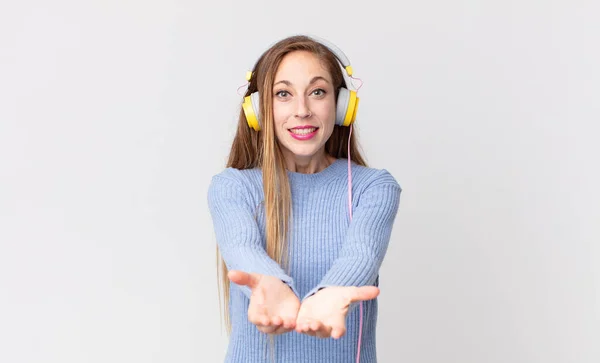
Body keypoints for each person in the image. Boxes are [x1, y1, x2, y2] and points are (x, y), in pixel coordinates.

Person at [207, 34, 402, 363]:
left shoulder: (373, 187)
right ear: (258, 109)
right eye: (283, 94)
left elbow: (362, 255)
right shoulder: (233, 187)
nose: (302, 110)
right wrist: (270, 286)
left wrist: (329, 295)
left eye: (317, 92)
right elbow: (242, 249)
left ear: (341, 106)